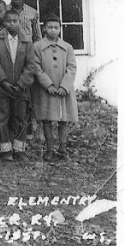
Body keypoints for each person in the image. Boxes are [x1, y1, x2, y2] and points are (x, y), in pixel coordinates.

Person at [28, 15, 78, 161]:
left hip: (63, 91)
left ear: (60, 29)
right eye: (50, 27)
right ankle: (50, 148)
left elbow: (72, 67)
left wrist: (65, 86)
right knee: (47, 118)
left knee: (64, 118)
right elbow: (36, 67)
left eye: (56, 28)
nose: (53, 30)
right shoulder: (37, 46)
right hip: (46, 90)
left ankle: (62, 149)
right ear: (44, 28)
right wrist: (47, 84)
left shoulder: (67, 47)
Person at [0, 9, 34, 161]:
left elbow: (31, 65)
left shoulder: (26, 41)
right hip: (3, 87)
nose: (12, 23)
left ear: (19, 22)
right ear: (4, 22)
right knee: (2, 117)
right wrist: (3, 81)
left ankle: (19, 149)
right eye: (8, 21)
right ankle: (5, 149)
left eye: (15, 21)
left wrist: (21, 83)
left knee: (20, 117)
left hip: (20, 87)